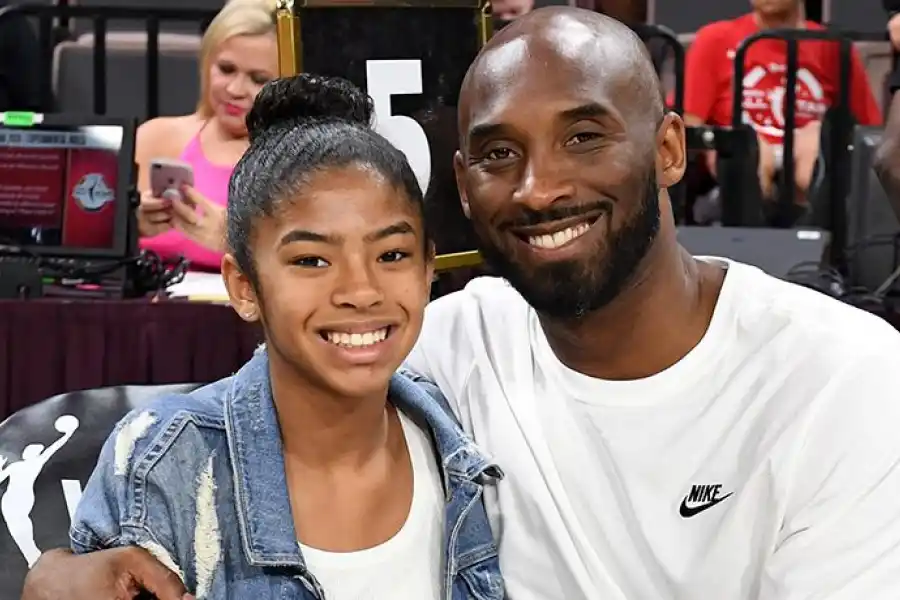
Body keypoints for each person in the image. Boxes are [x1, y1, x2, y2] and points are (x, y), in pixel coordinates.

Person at [23, 7, 900, 600]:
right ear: (462, 186)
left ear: (669, 148)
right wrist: (54, 571)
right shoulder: (442, 345)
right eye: (497, 153)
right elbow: (240, 417)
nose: (540, 187)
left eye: (584, 136)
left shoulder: (843, 379)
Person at [58, 74, 504, 600]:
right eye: (311, 260)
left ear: (429, 267)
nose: (360, 291)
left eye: (391, 255)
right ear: (244, 287)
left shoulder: (455, 436)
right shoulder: (166, 464)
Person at [684, 0, 881, 212]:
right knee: (748, 148)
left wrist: (820, 138)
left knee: (816, 144)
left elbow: (869, 132)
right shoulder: (715, 39)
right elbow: (688, 124)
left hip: (812, 169)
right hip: (738, 169)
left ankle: (815, 231)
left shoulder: (834, 46)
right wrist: (722, 145)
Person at [136, 0, 277, 272]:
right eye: (226, 69)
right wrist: (128, 229)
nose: (235, 89)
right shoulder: (155, 138)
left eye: (258, 79)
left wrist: (236, 240)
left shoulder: (302, 163)